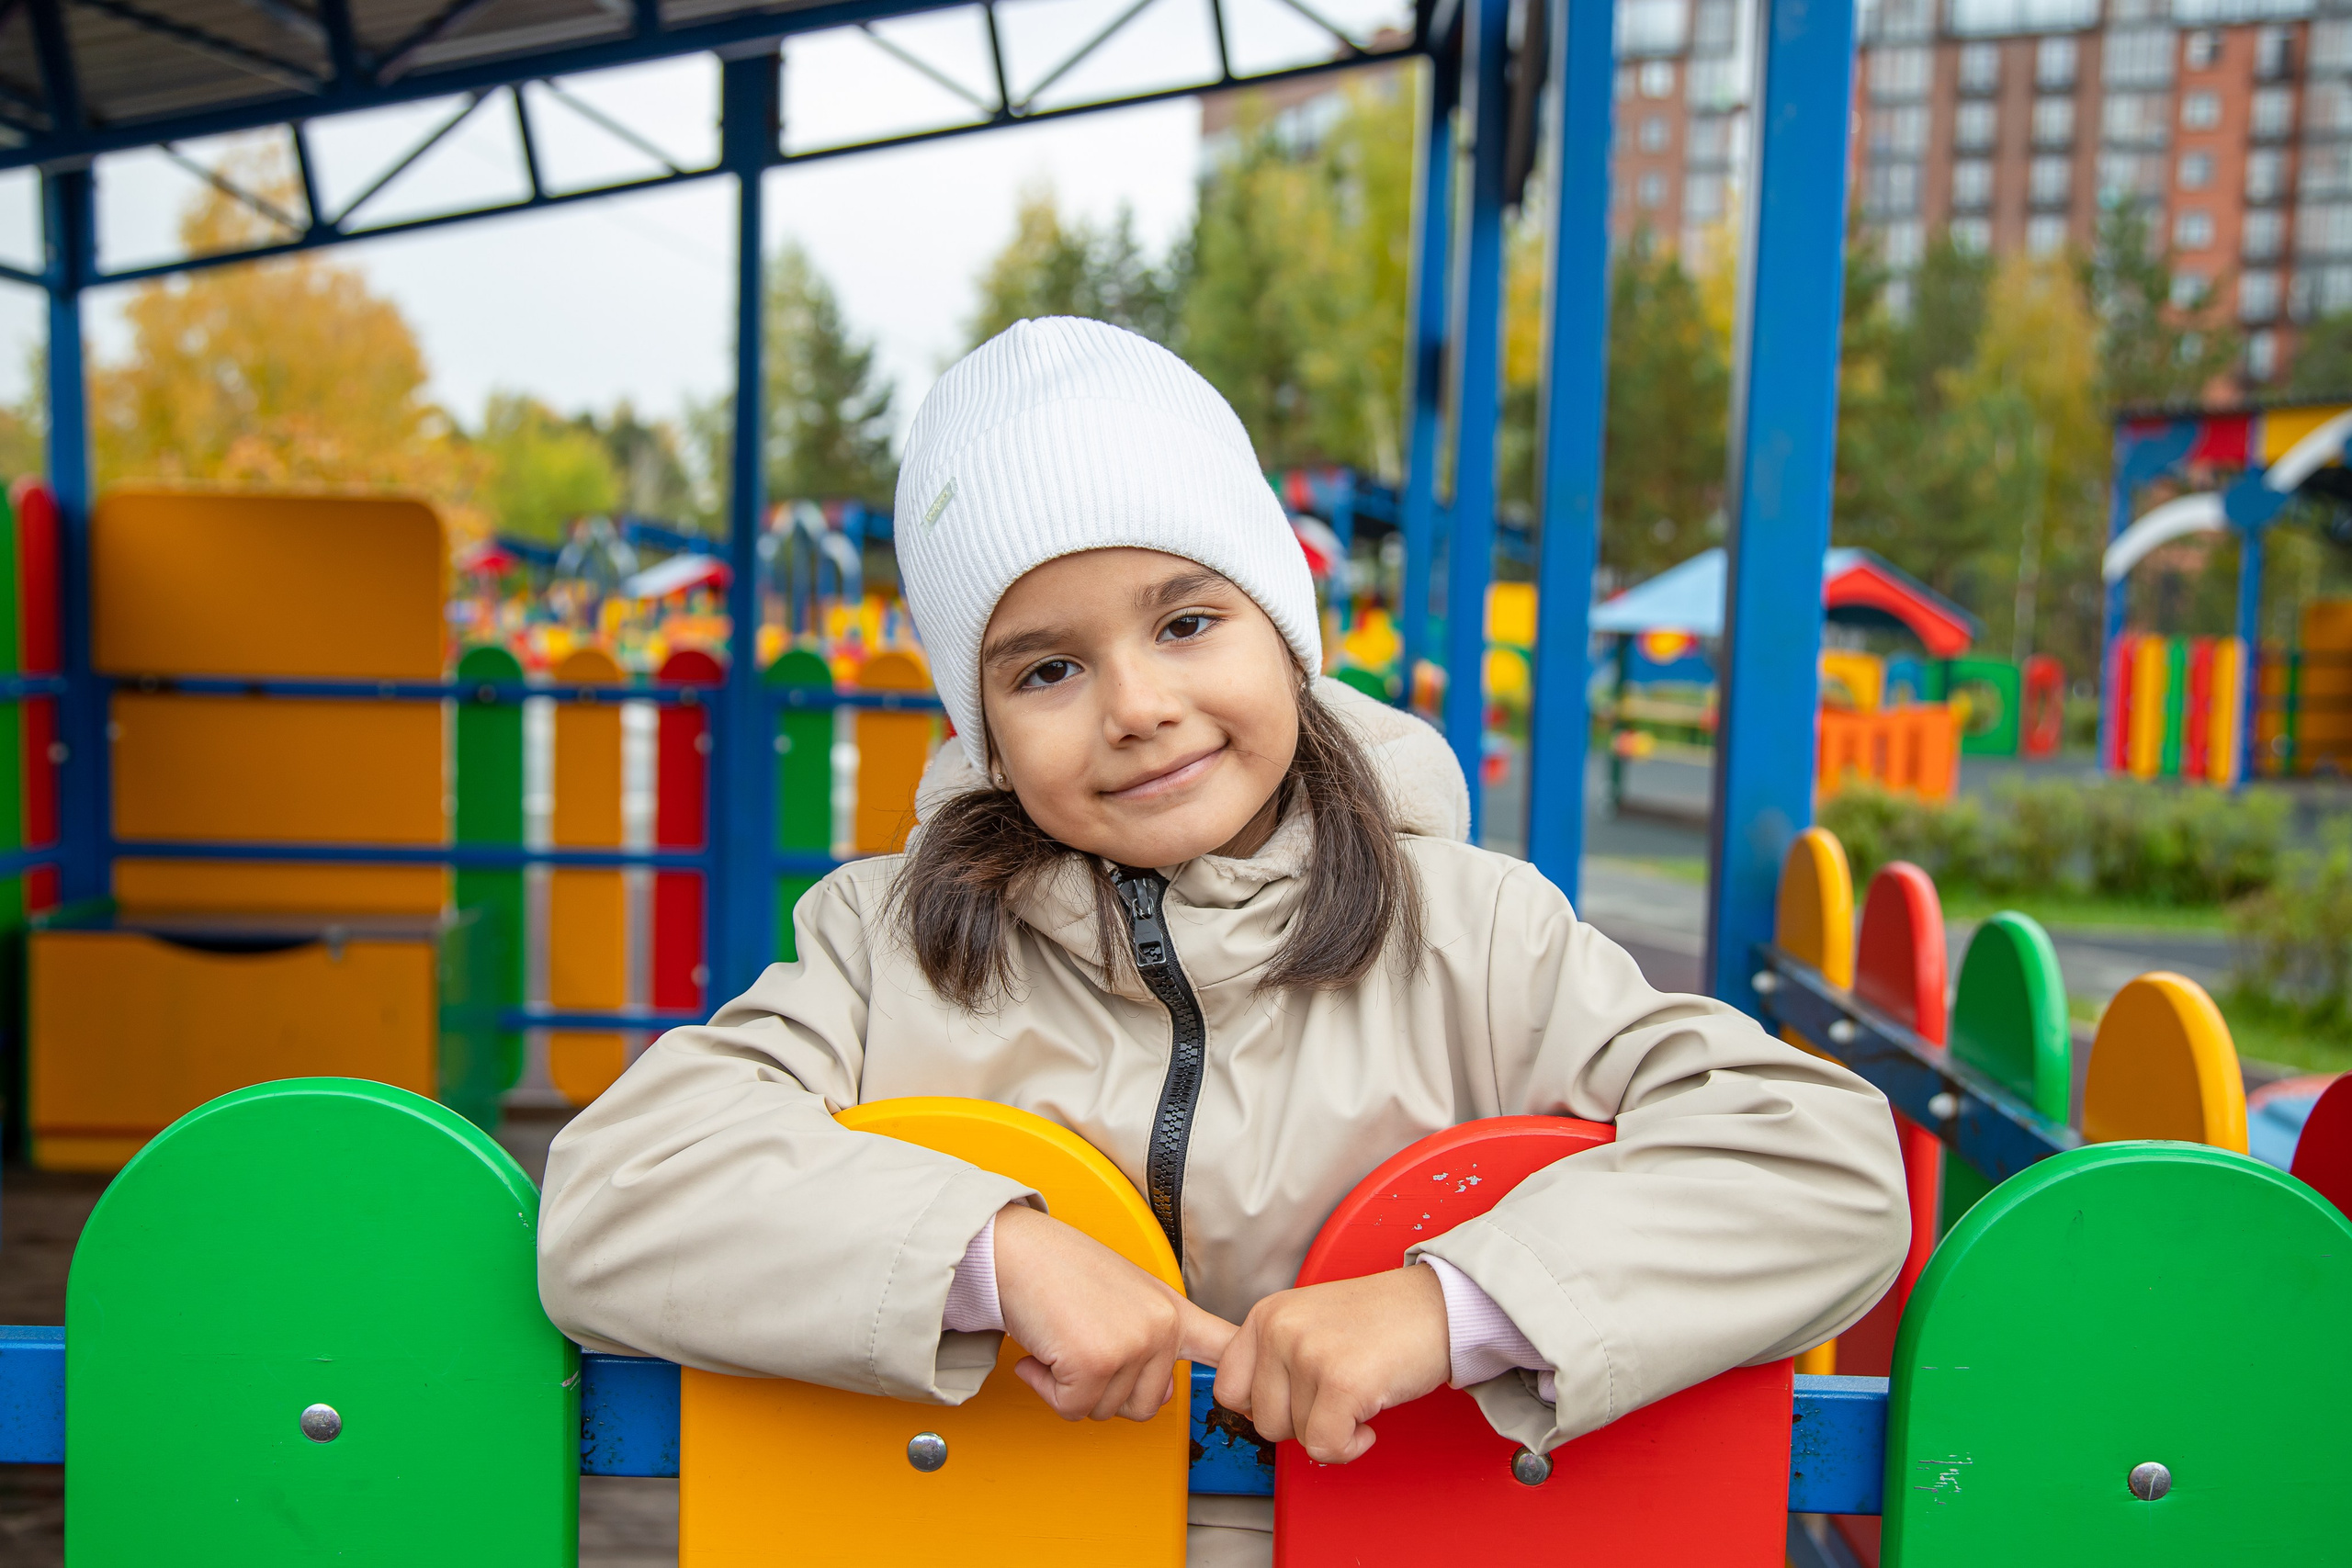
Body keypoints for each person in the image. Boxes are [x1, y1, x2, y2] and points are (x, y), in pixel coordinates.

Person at [537, 318, 1907, 1565]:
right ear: (985, 728)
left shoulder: (1477, 935)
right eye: (1047, 668)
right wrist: (991, 1255)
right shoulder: (881, 947)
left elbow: (1821, 1162)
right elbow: (615, 1194)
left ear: (1286, 637)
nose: (1136, 705)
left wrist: (1449, 1310)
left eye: (1188, 621)